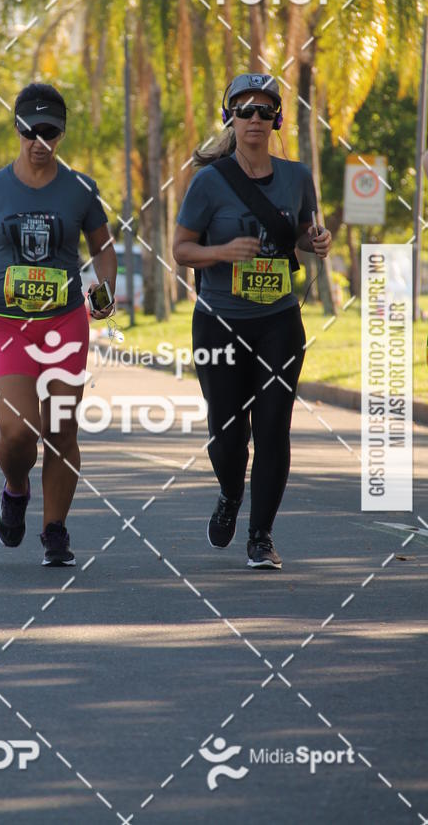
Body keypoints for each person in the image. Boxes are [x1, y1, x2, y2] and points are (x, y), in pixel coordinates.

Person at [173, 73, 332, 570]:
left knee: (273, 428)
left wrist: (317, 241)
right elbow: (181, 249)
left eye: (265, 111)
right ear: (230, 119)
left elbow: (301, 236)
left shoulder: (297, 176)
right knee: (227, 433)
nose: (255, 120)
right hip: (219, 323)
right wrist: (222, 251)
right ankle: (228, 493)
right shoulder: (209, 181)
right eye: (245, 111)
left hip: (278, 321)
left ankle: (261, 536)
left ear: (277, 121)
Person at [0, 83, 117, 566]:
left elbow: (103, 249)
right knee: (17, 431)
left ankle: (55, 531)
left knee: (61, 429)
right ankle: (14, 488)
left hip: (66, 323)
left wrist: (104, 290)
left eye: (49, 131)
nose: (39, 141)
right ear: (18, 129)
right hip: (11, 326)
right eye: (30, 130)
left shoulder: (81, 188)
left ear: (62, 133)